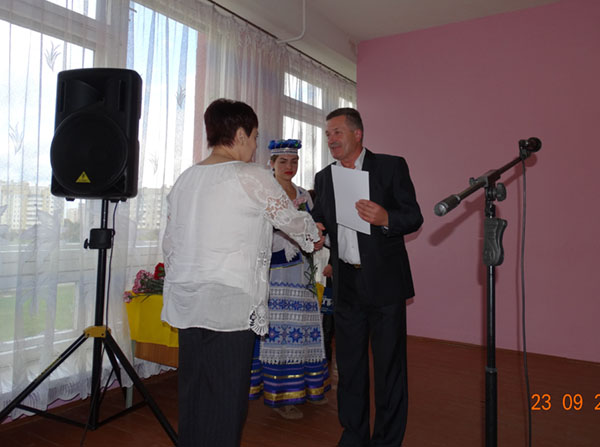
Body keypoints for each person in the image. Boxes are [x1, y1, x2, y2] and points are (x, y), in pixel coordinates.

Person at [161, 100, 323, 447]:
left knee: (194, 389)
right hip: (230, 302)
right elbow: (291, 220)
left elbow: (170, 242)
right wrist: (313, 233)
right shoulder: (250, 175)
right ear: (239, 135)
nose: (254, 144)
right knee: (225, 396)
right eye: (254, 136)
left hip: (188, 298)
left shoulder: (186, 178)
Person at [311, 108, 423, 447]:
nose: (331, 139)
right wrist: (317, 231)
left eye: (337, 132)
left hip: (385, 285)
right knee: (350, 367)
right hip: (346, 284)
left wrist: (386, 217)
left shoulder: (390, 167)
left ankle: (387, 441)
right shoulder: (324, 178)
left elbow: (413, 216)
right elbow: (321, 219)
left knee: (389, 368)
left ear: (357, 134)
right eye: (327, 134)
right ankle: (354, 436)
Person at [249, 139, 330, 420]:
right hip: (276, 274)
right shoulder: (266, 193)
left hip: (302, 274)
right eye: (283, 161)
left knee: (305, 330)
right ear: (271, 164)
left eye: (294, 161)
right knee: (280, 334)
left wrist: (316, 239)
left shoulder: (304, 195)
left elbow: (312, 228)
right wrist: (288, 240)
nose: (289, 166)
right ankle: (282, 396)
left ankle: (309, 388)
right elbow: (258, 233)